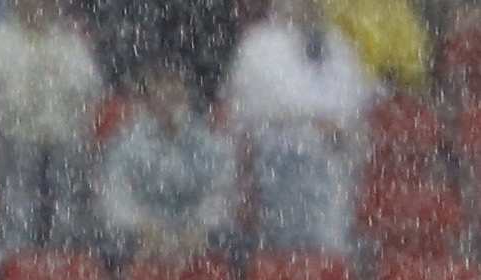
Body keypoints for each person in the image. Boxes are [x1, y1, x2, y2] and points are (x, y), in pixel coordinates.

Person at [224, 0, 375, 252]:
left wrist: (336, 127)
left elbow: (355, 104)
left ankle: (327, 262)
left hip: (334, 157)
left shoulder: (339, 46)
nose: (310, 6)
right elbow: (253, 109)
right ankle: (289, 256)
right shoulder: (258, 45)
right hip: (276, 152)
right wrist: (310, 122)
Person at [0, 0, 105, 251]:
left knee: (71, 159)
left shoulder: (70, 44)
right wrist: (29, 95)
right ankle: (18, 249)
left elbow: (89, 90)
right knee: (20, 159)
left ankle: (65, 248)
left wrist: (53, 90)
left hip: (62, 135)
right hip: (12, 134)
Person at [97, 60, 238, 257]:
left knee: (236, 244)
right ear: (147, 99)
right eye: (160, 88)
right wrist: (142, 226)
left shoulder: (210, 143)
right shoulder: (125, 144)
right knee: (109, 246)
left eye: (174, 87)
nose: (167, 98)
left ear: (187, 95)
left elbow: (222, 192)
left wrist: (200, 226)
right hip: (141, 235)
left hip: (197, 234)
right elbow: (115, 196)